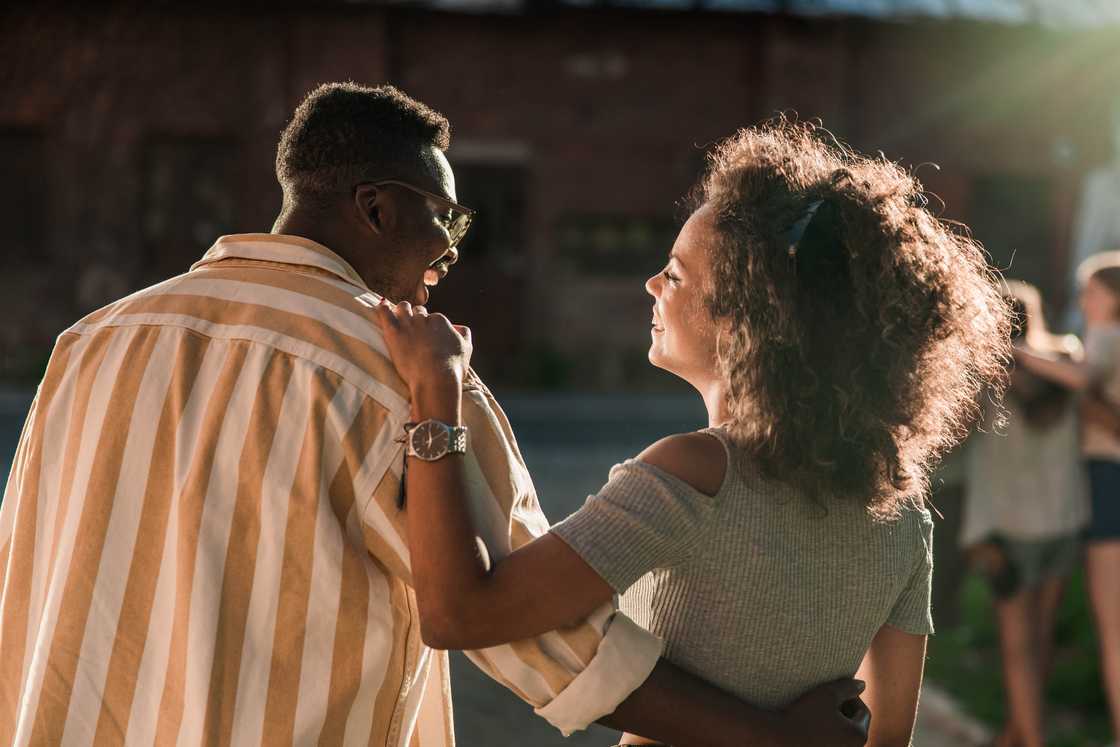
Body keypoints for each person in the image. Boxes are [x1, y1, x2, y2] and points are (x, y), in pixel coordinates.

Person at [0, 82, 867, 747]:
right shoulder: (408, 376)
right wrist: (769, 736)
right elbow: (541, 637)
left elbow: (21, 580)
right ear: (375, 208)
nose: (454, 246)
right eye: (444, 214)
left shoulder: (94, 341)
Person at [370, 120, 1013, 747]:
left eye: (675, 275)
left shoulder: (696, 472)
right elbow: (888, 733)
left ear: (747, 321)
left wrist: (436, 393)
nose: (652, 285)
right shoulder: (903, 515)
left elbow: (461, 616)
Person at [961, 280, 1089, 747]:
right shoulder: (1067, 359)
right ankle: (1018, 732)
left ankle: (1030, 739)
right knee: (1041, 637)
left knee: (1017, 647)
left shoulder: (987, 373)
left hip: (1006, 530)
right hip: (1063, 519)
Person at [1016, 250, 1120, 746]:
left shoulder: (1107, 336)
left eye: (1091, 290)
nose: (1082, 298)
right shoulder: (1100, 341)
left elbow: (1083, 378)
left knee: (1113, 629)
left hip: (1107, 482)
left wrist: (1020, 352)